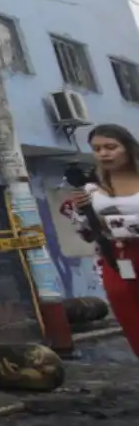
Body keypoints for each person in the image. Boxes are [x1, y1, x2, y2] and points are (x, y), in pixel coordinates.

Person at [64, 122, 139, 355]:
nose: (103, 153)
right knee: (132, 320)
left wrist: (110, 223)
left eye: (110, 147)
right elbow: (87, 234)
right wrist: (81, 213)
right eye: (97, 149)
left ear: (127, 148)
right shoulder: (91, 189)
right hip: (114, 261)